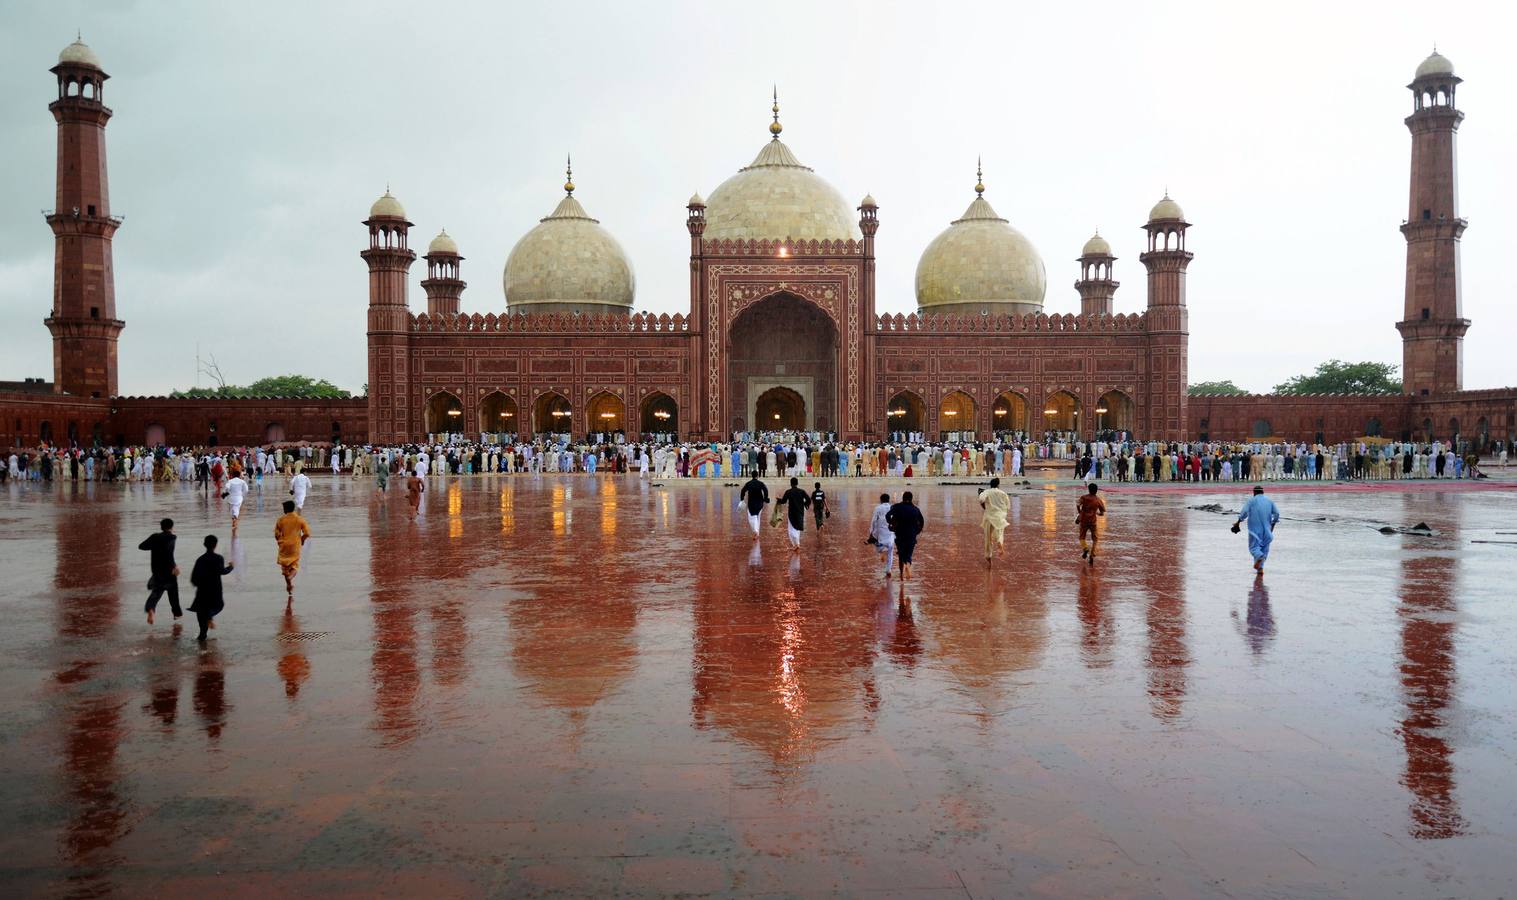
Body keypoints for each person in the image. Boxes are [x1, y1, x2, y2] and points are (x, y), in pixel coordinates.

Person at [188, 534, 233, 642]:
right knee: (218, 606)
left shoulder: (200, 560)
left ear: (204, 544)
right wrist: (231, 567)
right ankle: (209, 616)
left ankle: (202, 643)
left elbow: (193, 579)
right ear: (216, 545)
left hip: (202, 593)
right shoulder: (218, 558)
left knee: (202, 628)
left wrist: (199, 585)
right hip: (215, 591)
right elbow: (222, 571)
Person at [138, 517, 181, 625]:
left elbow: (141, 546)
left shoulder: (154, 537)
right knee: (173, 594)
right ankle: (176, 613)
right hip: (169, 571)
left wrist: (154, 546)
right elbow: (169, 553)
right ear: (171, 527)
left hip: (157, 571)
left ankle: (151, 610)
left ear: (161, 527)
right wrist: (174, 567)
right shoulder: (172, 537)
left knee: (156, 593)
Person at [1232, 485, 1281, 573]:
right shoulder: (1270, 501)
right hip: (1267, 529)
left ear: (1254, 493)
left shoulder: (1251, 500)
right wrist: (1273, 524)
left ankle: (1259, 558)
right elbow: (1277, 513)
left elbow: (1244, 512)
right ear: (1263, 492)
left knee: (1254, 548)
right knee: (1264, 548)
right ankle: (1260, 568)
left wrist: (1239, 521)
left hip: (1254, 529)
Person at [273, 500, 311, 597]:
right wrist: (302, 540)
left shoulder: (281, 520)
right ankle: (290, 578)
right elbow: (307, 533)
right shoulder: (299, 519)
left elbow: (277, 534)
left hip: (284, 545)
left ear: (286, 509)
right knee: (294, 565)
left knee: (285, 566)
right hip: (295, 545)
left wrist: (280, 542)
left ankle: (288, 585)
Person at [885, 491, 924, 580]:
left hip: (899, 534)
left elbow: (887, 516)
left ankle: (901, 573)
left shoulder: (897, 507)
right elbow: (921, 522)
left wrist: (892, 524)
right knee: (909, 554)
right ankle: (908, 564)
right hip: (911, 535)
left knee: (901, 554)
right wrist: (916, 532)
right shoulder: (915, 509)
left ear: (903, 498)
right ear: (911, 499)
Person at [978, 477, 1010, 564]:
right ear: (998, 485)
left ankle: (988, 556)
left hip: (989, 517)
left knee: (988, 537)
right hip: (1000, 517)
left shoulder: (986, 492)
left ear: (990, 484)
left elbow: (981, 499)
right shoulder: (1003, 493)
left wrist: (984, 507)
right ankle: (999, 542)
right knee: (1000, 533)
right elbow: (1008, 506)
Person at [1076, 482, 1106, 566]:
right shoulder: (1098, 500)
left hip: (1084, 520)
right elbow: (1102, 513)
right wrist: (1096, 513)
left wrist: (1080, 512)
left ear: (1089, 489)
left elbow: (1077, 504)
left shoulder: (1084, 497)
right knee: (1095, 539)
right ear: (1096, 491)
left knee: (1082, 537)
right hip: (1093, 521)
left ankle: (1085, 548)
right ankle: (1092, 555)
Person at [778, 477, 811, 551]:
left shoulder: (788, 492)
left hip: (791, 513)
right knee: (797, 527)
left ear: (791, 483)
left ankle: (796, 544)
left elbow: (783, 501)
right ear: (797, 483)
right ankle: (797, 543)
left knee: (791, 529)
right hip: (800, 512)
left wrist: (778, 500)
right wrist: (805, 504)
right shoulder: (802, 491)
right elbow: (809, 499)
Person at [869, 492, 896, 578]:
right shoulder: (893, 507)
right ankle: (888, 570)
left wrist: (871, 532)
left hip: (880, 531)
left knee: (879, 548)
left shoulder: (878, 508)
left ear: (881, 500)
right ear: (888, 500)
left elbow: (873, 521)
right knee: (890, 551)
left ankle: (882, 550)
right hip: (891, 532)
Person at [739, 472, 769, 537]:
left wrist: (742, 499)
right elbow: (765, 490)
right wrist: (765, 497)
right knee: (758, 517)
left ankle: (755, 531)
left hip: (751, 503)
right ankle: (757, 532)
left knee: (752, 517)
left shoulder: (748, 483)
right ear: (757, 476)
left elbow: (743, 491)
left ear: (751, 476)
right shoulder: (760, 483)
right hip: (760, 502)